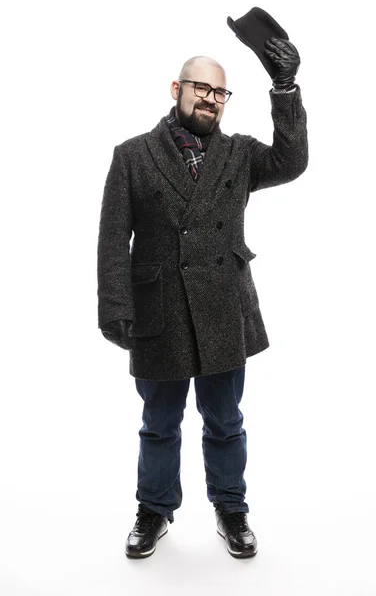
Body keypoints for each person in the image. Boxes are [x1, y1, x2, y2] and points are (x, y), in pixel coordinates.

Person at [97, 37, 308, 559]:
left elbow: (293, 160)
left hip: (222, 306)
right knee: (160, 423)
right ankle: (154, 509)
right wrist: (115, 307)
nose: (211, 99)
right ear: (177, 89)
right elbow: (112, 237)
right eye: (201, 88)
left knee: (225, 419)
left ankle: (231, 510)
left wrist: (285, 89)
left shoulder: (239, 154)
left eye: (220, 92)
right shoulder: (132, 156)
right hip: (158, 310)